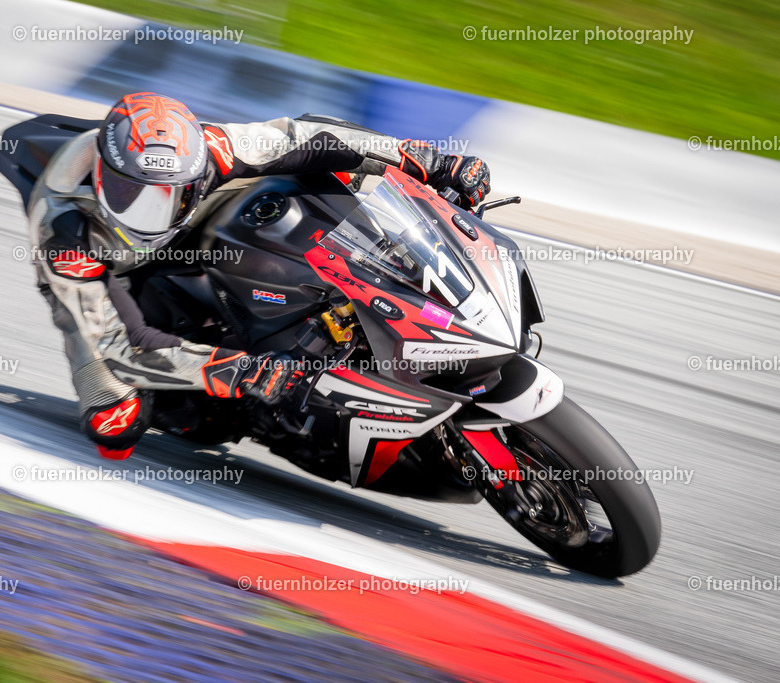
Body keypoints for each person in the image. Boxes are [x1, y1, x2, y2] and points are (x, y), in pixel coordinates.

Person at [27, 91, 491, 460]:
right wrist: (245, 372)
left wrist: (430, 162)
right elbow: (121, 347)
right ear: (103, 175)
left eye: (169, 195)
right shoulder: (62, 228)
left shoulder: (212, 149)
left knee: (318, 168)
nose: (150, 213)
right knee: (114, 422)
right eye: (131, 192)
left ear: (195, 173)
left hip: (198, 224)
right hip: (107, 268)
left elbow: (308, 137)